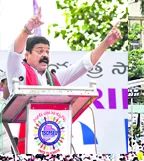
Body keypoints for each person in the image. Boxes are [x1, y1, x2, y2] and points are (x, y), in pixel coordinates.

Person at [5, 8, 122, 153]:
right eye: (40, 51)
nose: (45, 55)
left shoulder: (54, 78)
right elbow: (15, 53)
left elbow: (83, 65)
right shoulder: (17, 71)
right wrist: (27, 30)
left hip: (54, 140)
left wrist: (106, 44)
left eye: (47, 52)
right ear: (27, 55)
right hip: (21, 143)